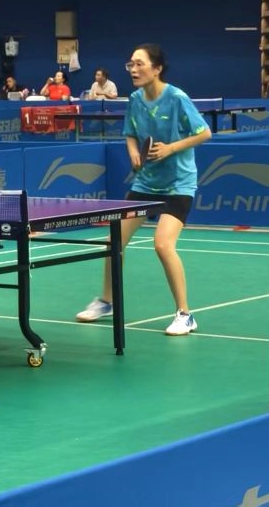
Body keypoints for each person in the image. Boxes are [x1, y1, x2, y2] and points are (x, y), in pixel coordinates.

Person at [74, 44, 211, 336]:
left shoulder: (177, 98)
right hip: (146, 182)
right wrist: (134, 152)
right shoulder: (135, 99)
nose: (133, 70)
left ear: (157, 68)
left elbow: (204, 133)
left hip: (178, 183)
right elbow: (130, 135)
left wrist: (171, 148)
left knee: (162, 245)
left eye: (139, 64)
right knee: (113, 241)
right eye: (131, 64)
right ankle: (107, 301)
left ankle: (185, 314)